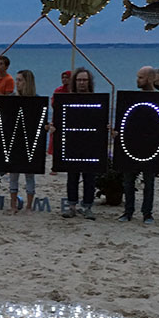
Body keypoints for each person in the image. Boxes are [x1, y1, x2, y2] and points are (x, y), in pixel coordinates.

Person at [118, 66, 159, 225]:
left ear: (150, 79)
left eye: (141, 77)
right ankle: (128, 211)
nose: (138, 80)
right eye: (137, 77)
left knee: (149, 182)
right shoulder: (131, 98)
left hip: (151, 145)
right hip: (132, 144)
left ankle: (147, 213)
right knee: (128, 181)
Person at [61, 67, 98, 220]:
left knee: (89, 177)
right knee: (72, 177)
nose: (82, 83)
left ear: (89, 82)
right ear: (74, 82)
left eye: (84, 80)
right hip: (72, 143)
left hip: (90, 144)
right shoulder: (69, 100)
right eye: (79, 80)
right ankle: (71, 206)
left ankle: (88, 206)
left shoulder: (96, 100)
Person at [0, 69, 39, 214]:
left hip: (29, 141)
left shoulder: (35, 100)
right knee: (14, 175)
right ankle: (13, 205)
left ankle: (29, 206)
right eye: (16, 80)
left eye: (20, 80)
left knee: (29, 175)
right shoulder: (11, 99)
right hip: (14, 141)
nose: (17, 83)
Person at [47, 70, 71, 174]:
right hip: (58, 118)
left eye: (67, 77)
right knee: (56, 142)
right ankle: (55, 167)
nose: (64, 79)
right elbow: (54, 104)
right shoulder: (59, 90)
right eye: (63, 77)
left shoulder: (73, 90)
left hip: (70, 118)